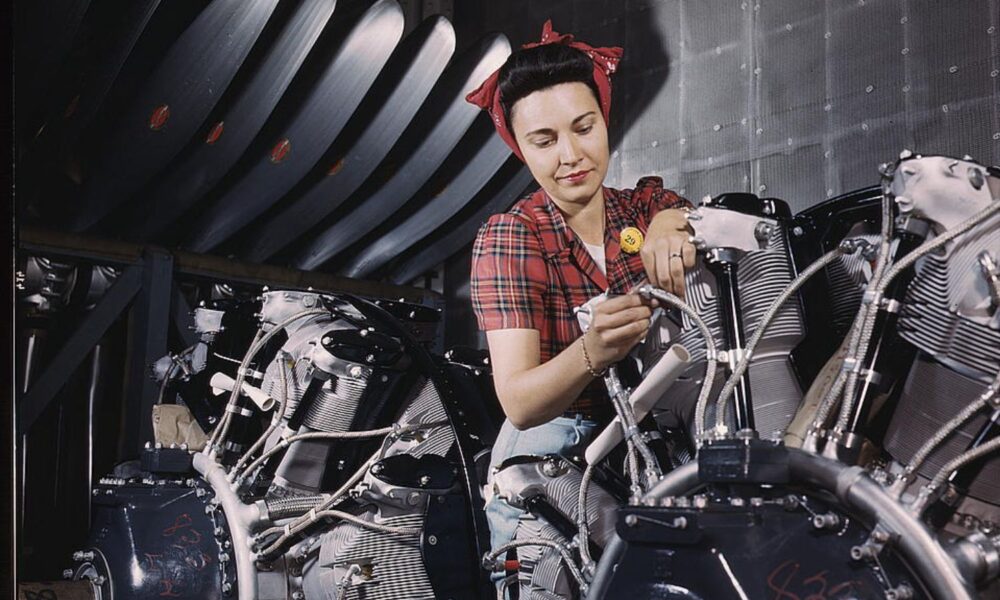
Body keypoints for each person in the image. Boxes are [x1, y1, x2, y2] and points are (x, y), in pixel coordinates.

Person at [465, 19, 695, 585]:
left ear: (604, 120)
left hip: (646, 448)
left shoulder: (640, 209)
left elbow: (675, 211)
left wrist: (675, 221)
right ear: (521, 148)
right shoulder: (513, 236)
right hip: (550, 461)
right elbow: (519, 401)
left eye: (584, 128)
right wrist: (592, 351)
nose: (571, 155)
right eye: (544, 141)